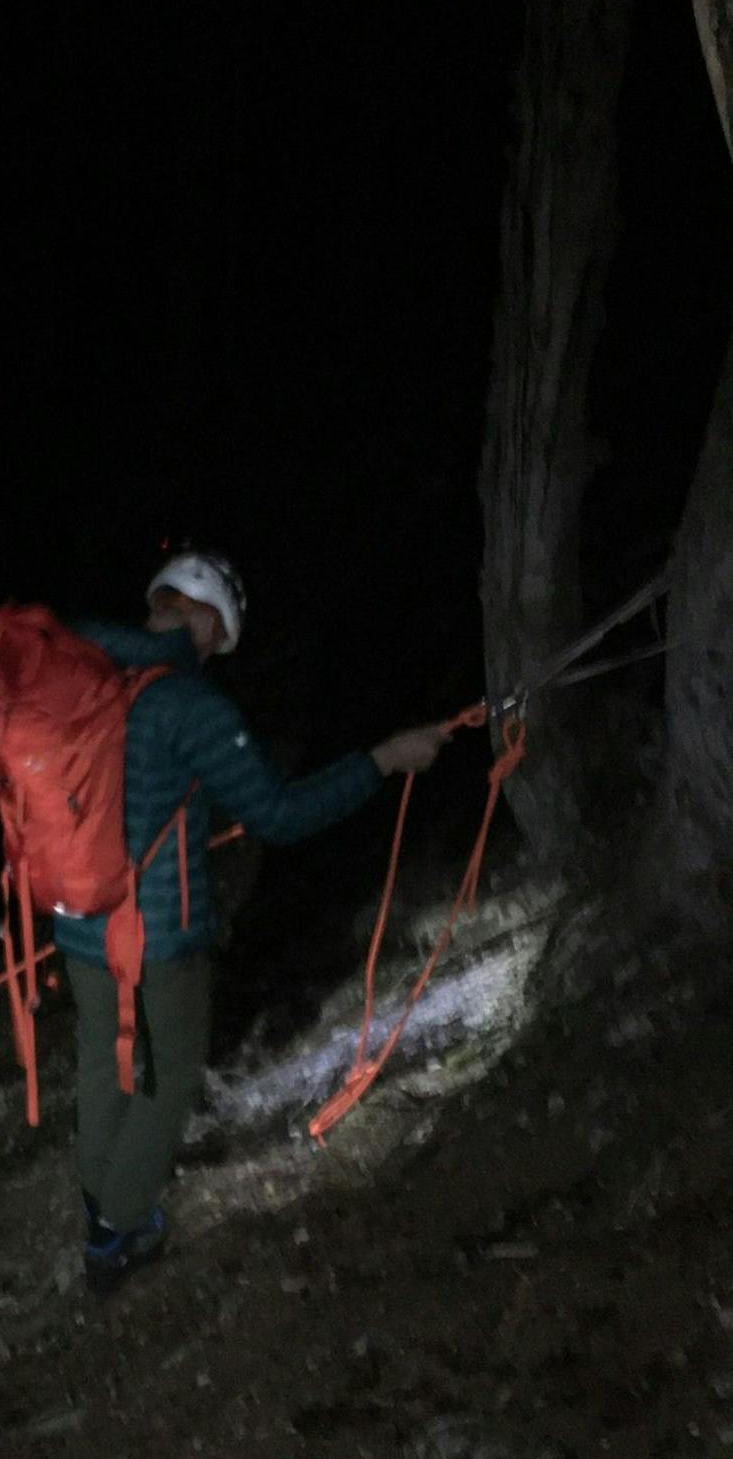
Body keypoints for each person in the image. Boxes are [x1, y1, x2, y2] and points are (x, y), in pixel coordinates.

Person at [50, 550, 450, 1292]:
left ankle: (99, 1194)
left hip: (76, 915)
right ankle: (117, 1231)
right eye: (217, 637)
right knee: (169, 1079)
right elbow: (280, 813)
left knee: (103, 1056)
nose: (213, 651)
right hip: (157, 930)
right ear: (203, 617)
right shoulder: (190, 704)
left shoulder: (88, 672)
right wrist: (385, 760)